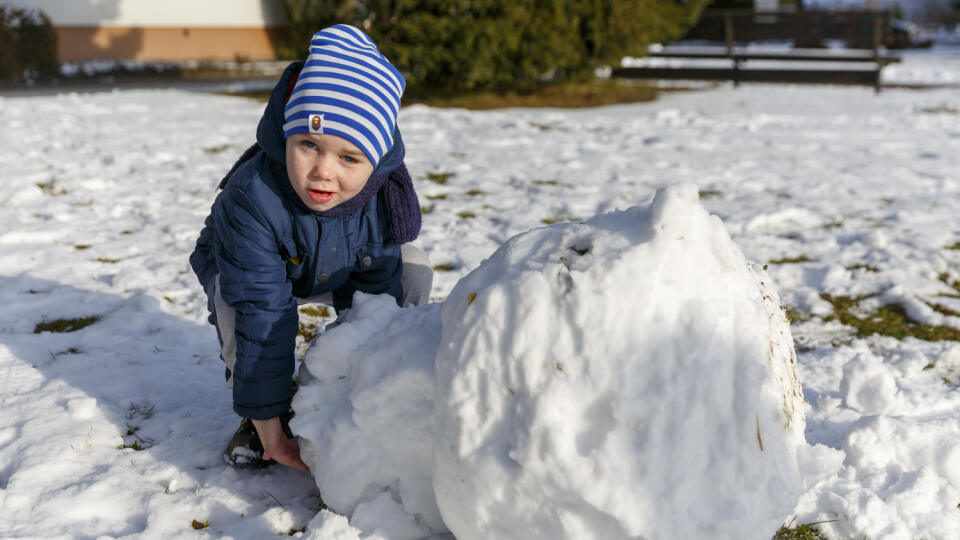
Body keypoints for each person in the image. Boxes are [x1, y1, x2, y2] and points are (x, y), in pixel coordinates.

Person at [189, 24, 432, 470]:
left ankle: (362, 387)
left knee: (412, 268)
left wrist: (359, 380)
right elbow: (262, 311)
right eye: (308, 144)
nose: (323, 171)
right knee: (234, 302)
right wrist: (271, 427)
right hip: (253, 269)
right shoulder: (253, 197)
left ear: (375, 164)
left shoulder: (379, 197)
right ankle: (261, 417)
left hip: (334, 261)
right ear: (287, 135)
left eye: (348, 158)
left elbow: (377, 299)